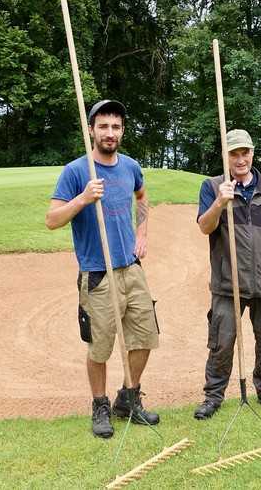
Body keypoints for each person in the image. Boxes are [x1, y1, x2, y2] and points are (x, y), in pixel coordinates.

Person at [46, 100, 160, 439]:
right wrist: (82, 198)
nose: (110, 133)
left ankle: (128, 398)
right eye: (103, 126)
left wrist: (141, 232)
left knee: (145, 336)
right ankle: (100, 404)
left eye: (116, 127)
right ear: (91, 130)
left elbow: (141, 196)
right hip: (98, 274)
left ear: (122, 131)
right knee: (100, 346)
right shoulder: (77, 171)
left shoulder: (130, 167)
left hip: (131, 269)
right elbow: (52, 220)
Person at [193, 128, 261, 420]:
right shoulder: (212, 187)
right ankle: (213, 396)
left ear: (252, 153)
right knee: (221, 342)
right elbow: (204, 227)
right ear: (226, 156)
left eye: (244, 152)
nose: (240, 159)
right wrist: (220, 203)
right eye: (233, 153)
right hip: (227, 283)